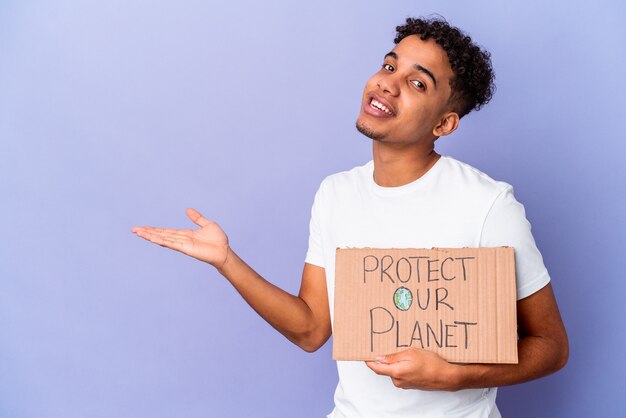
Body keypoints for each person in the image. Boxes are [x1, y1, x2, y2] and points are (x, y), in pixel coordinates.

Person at [132, 16, 568, 418]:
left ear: (444, 124)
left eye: (417, 83)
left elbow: (551, 346)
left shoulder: (488, 205)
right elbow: (311, 330)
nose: (387, 85)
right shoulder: (336, 194)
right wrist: (227, 261)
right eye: (389, 66)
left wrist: (456, 376)